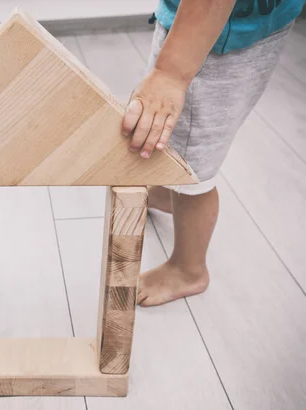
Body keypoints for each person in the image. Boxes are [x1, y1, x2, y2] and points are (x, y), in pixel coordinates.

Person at [123, 0, 305, 307]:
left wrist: (171, 74)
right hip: (226, 27)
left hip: (212, 43)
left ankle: (188, 269)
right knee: (179, 148)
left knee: (192, 171)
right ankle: (169, 196)